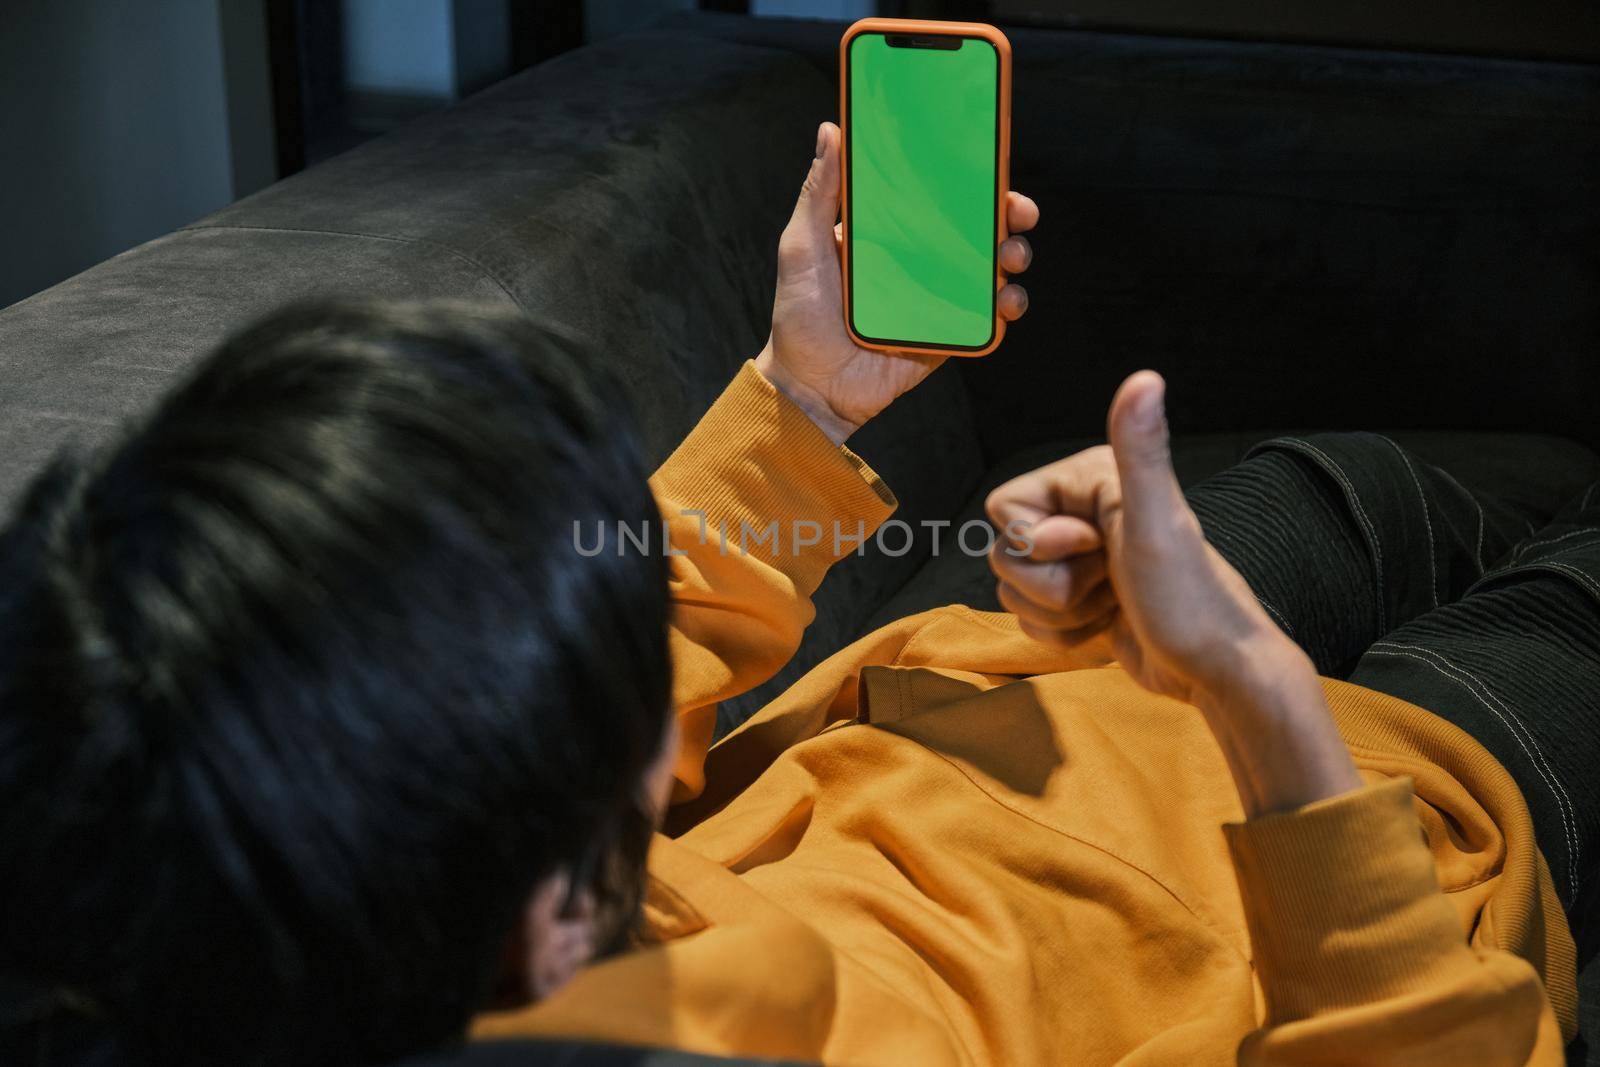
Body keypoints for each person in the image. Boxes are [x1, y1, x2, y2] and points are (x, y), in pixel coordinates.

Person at [0, 119, 1587, 1066]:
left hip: (1042, 650)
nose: (635, 599)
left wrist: (804, 391)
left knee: (1377, 476)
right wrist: (1255, 698)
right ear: (557, 910)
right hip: (1386, 797)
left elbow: (641, 603)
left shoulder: (327, 885)